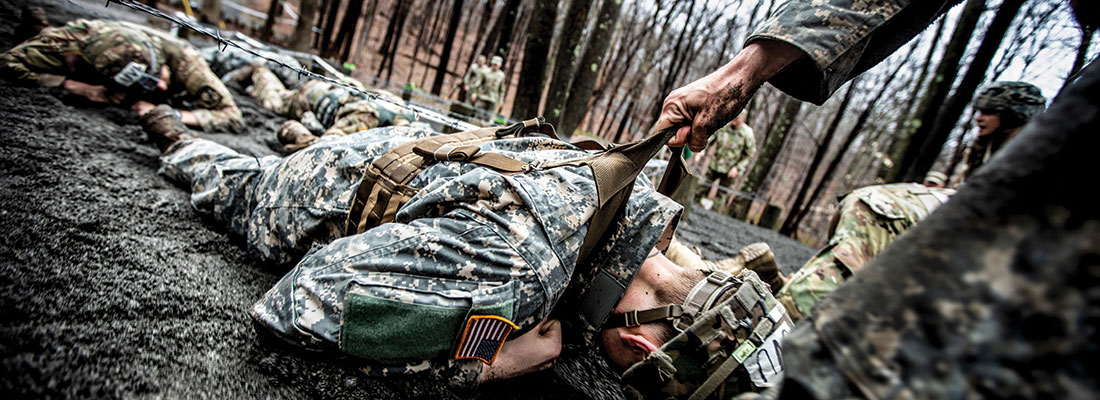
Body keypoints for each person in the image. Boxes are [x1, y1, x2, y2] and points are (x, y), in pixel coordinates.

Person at [137, 105, 788, 389]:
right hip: (318, 192)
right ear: (643, 349)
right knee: (226, 180)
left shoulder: (638, 199)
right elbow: (299, 305)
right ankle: (174, 138)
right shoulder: (519, 272)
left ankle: (273, 136)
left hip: (416, 157)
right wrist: (483, 363)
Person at [642, 0, 1099, 398]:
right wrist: (746, 71)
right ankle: (766, 295)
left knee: (879, 215)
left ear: (1011, 117)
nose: (979, 120)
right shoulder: (998, 147)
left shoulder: (1047, 142)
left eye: (989, 114)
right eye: (977, 113)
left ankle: (776, 314)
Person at [0, 18, 242, 132]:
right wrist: (73, 85)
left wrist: (172, 113)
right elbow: (7, 62)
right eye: (145, 84)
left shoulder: (186, 63)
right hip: (85, 52)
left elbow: (232, 117)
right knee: (38, 32)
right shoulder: (78, 40)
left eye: (158, 75)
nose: (159, 86)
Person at [771, 183, 953, 321]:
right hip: (883, 216)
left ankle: (771, 284)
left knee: (827, 286)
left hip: (872, 203)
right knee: (806, 302)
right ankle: (755, 347)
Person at [227, 61, 415, 152]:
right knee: (274, 102)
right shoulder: (366, 118)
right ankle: (259, 71)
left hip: (336, 90)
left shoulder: (407, 113)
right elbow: (325, 145)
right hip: (311, 98)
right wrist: (307, 131)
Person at [963, 81, 1046, 179]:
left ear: (1012, 117)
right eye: (979, 111)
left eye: (988, 112)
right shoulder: (982, 147)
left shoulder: (1034, 156)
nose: (978, 118)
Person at [699, 110, 755, 211]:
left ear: (743, 119)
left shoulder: (747, 133)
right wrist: (702, 150)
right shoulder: (723, 126)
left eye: (737, 118)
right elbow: (710, 138)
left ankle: (712, 219)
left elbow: (749, 155)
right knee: (701, 186)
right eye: (733, 117)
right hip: (715, 164)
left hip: (731, 170)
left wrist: (737, 168)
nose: (734, 120)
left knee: (721, 196)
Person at [472, 55, 505, 120]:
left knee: (487, 118)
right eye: (494, 64)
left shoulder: (501, 75)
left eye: (496, 65)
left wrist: (501, 100)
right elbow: (478, 83)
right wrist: (475, 93)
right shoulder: (485, 72)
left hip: (492, 100)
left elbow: (501, 90)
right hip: (482, 97)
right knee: (478, 117)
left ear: (500, 65)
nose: (495, 66)